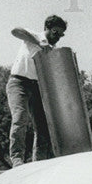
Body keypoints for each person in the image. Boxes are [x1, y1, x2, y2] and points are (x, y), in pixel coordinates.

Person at [6, 15, 67, 167]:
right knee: (20, 118)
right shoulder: (33, 36)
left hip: (38, 86)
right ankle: (17, 159)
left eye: (61, 35)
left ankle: (38, 162)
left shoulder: (52, 50)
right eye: (55, 33)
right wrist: (39, 42)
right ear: (46, 28)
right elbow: (15, 30)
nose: (58, 37)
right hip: (19, 82)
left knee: (43, 125)